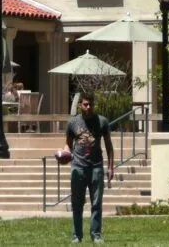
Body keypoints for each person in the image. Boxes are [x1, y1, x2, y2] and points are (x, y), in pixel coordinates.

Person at [65, 92, 114, 244]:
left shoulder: (102, 122)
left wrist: (111, 167)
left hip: (96, 167)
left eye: (91, 104)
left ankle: (96, 234)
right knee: (77, 202)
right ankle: (76, 235)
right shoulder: (73, 123)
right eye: (85, 104)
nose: (88, 107)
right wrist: (65, 153)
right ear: (80, 105)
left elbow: (108, 145)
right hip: (78, 167)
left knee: (96, 202)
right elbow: (68, 143)